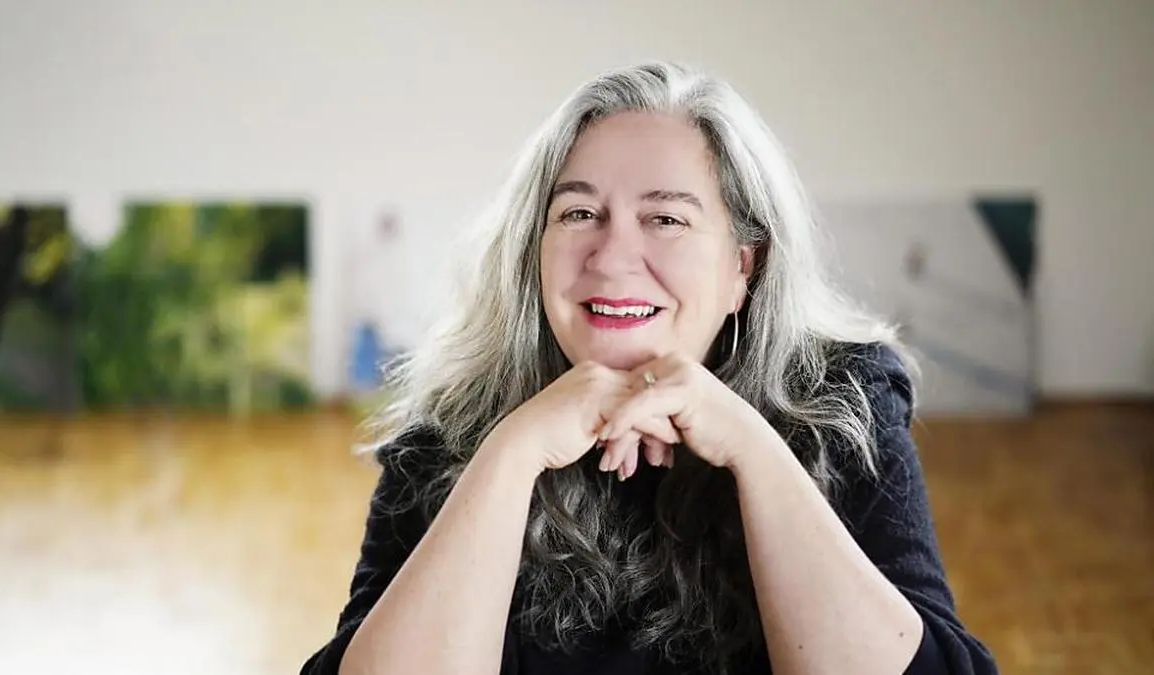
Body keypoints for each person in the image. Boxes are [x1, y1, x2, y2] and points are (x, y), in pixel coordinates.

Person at [301, 61, 998, 675]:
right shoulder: (447, 429)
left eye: (666, 219)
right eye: (579, 213)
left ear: (742, 267)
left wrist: (752, 449)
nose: (611, 257)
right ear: (534, 249)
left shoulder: (846, 403)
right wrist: (510, 456)